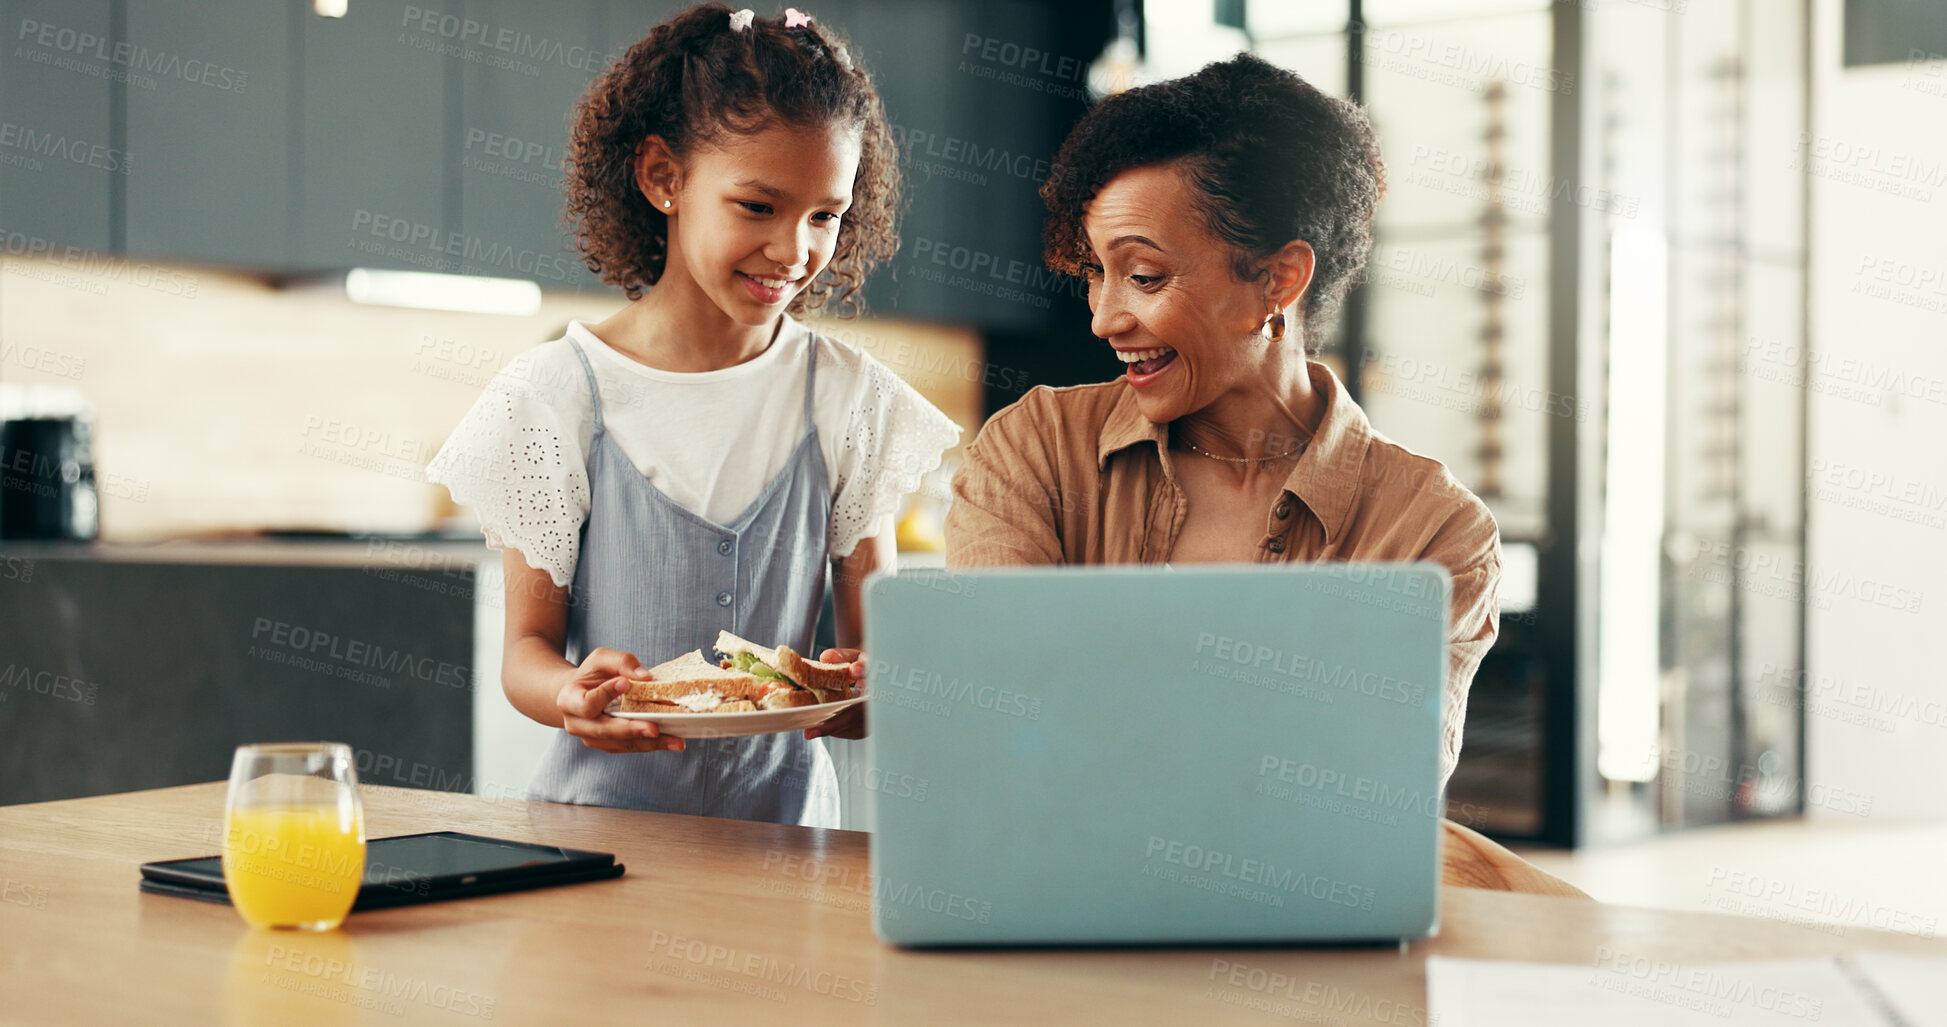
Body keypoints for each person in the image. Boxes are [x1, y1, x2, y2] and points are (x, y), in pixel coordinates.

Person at [941, 53, 1582, 897]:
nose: (1103, 316)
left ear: (1276, 280)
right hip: (1056, 902)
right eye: (1096, 273)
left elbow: (1354, 810)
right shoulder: (1035, 449)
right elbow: (995, 739)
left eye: (1143, 275)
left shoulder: (1432, 532)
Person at [426, 3, 958, 828]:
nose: (794, 251)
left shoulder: (850, 398)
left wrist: (871, 687)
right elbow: (526, 656)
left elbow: (874, 664)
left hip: (790, 844)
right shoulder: (555, 396)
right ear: (662, 177)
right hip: (595, 838)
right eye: (757, 206)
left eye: (825, 215)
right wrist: (573, 690)